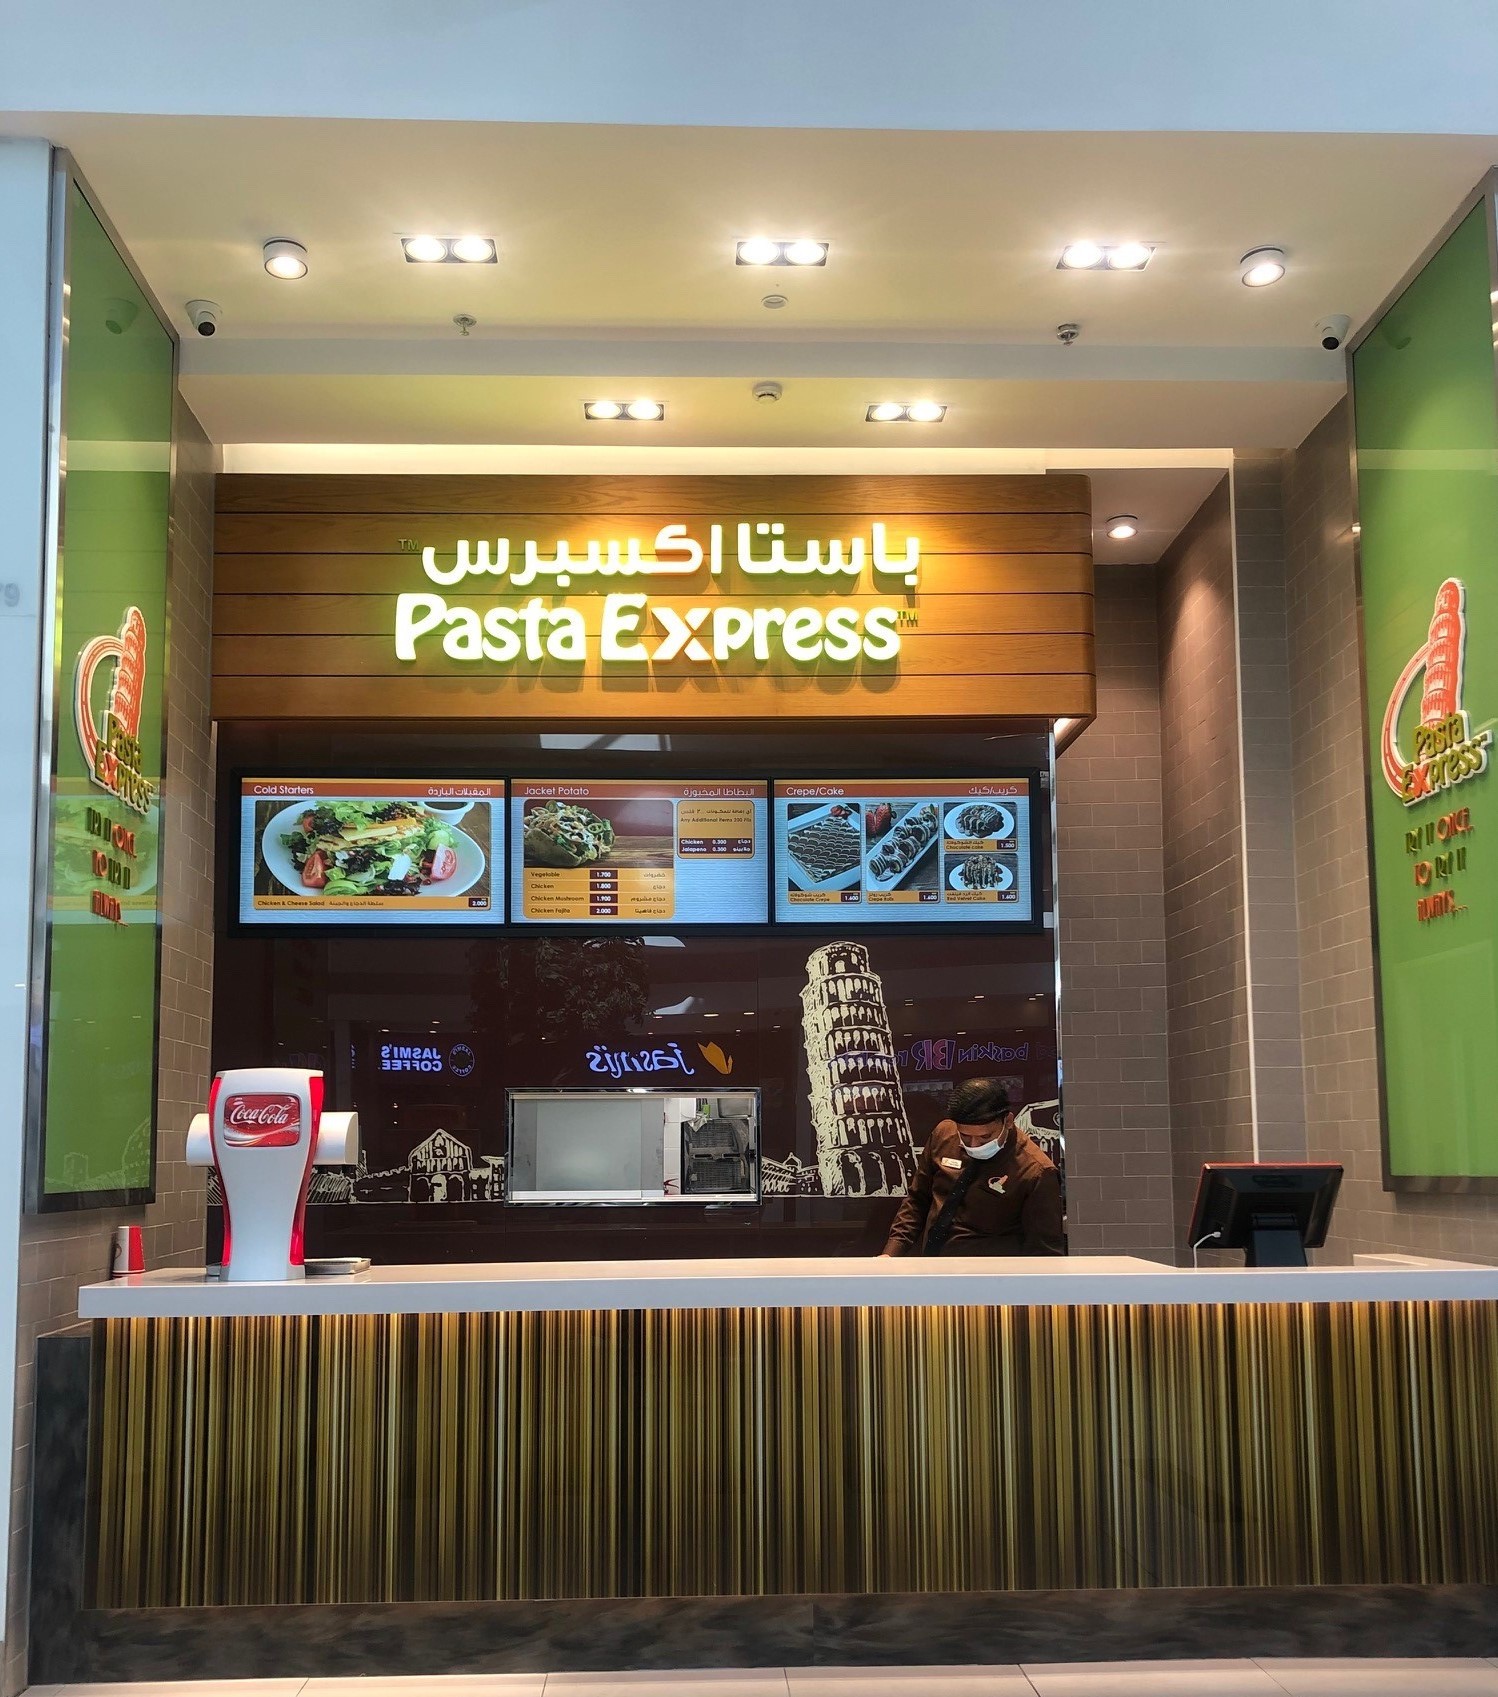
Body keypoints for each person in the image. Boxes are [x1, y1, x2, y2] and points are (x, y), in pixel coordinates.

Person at [879, 1078, 1064, 1257]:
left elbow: (1045, 1251)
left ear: (1008, 1121)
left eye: (985, 1137)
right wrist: (891, 1254)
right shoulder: (944, 1134)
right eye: (965, 1137)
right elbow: (918, 1199)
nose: (974, 1145)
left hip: (990, 1271)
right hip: (934, 1263)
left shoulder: (1036, 1172)